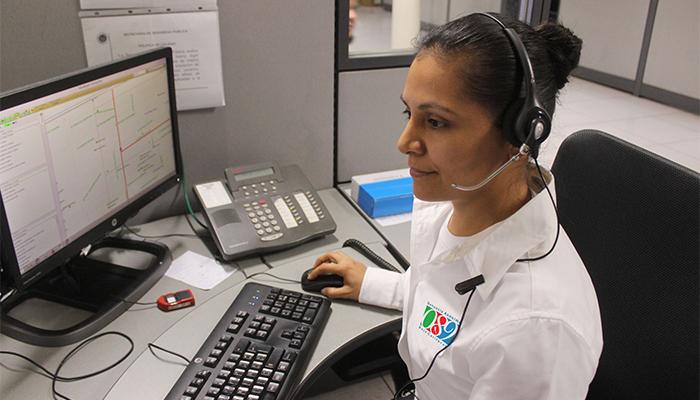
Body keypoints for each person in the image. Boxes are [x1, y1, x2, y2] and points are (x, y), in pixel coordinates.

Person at [307, 12, 603, 400]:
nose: (404, 141)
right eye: (408, 113)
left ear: (522, 131)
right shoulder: (457, 205)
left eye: (436, 122)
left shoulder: (534, 331)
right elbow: (445, 296)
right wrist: (374, 284)